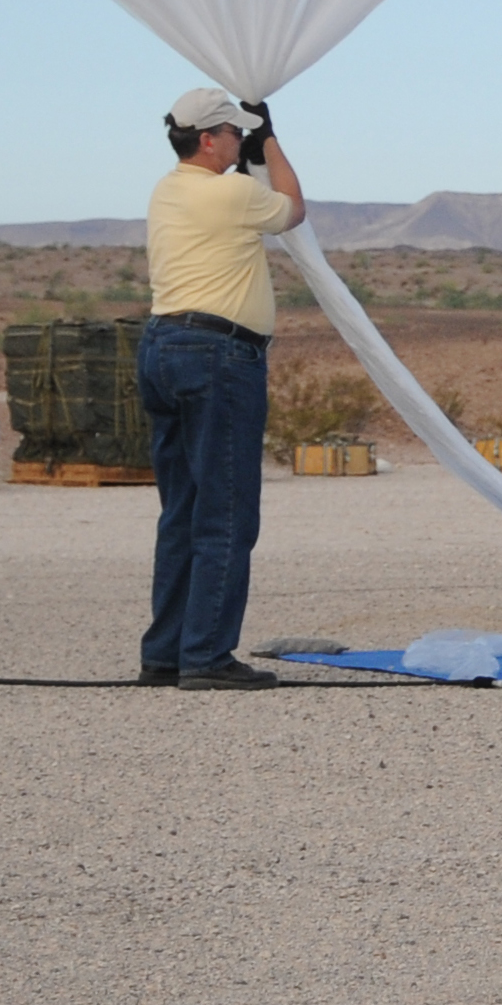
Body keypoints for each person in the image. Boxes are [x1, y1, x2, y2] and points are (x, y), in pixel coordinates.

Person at [138, 88, 305, 690]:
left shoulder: (166, 190)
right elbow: (292, 208)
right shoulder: (232, 193)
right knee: (227, 511)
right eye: (233, 135)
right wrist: (272, 143)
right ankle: (206, 654)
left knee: (181, 509)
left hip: (162, 347)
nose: (240, 145)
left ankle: (166, 649)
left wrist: (251, 140)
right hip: (218, 355)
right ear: (208, 140)